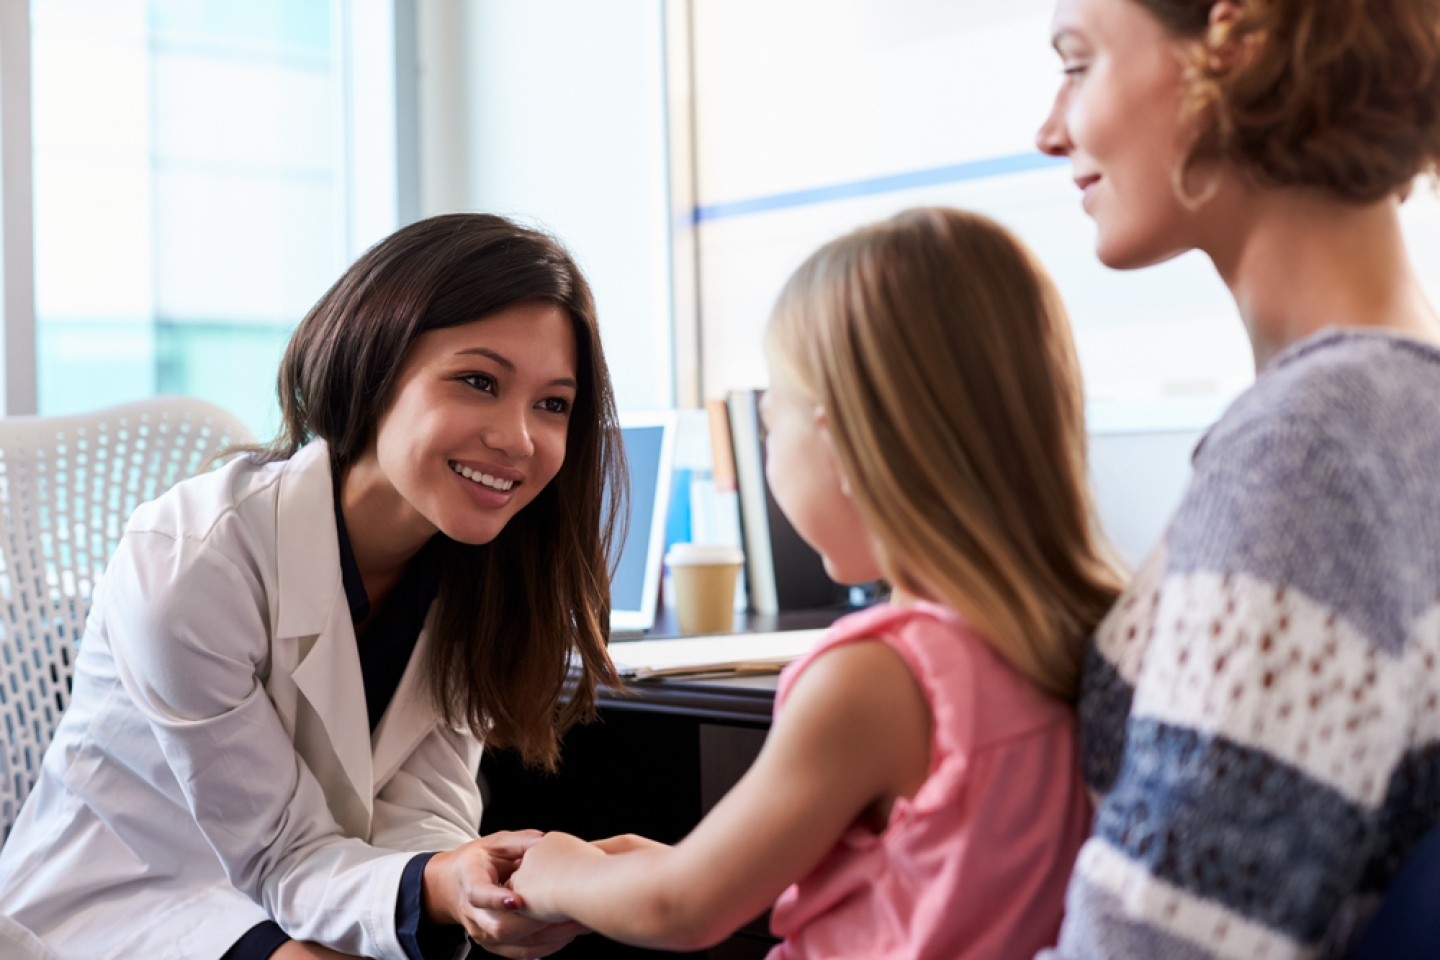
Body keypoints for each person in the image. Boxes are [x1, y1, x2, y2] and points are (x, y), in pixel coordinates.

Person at [504, 207, 1125, 958]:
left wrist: (558, 869)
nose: (768, 451)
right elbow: (917, 873)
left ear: (838, 440)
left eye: (770, 423)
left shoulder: (876, 676)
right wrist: (666, 862)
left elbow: (680, 908)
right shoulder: (1088, 628)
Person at [0, 213, 625, 960]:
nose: (518, 438)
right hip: (123, 903)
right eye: (478, 381)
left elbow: (423, 811)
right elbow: (277, 853)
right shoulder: (194, 562)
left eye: (552, 404)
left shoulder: (476, 572)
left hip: (308, 889)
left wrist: (470, 881)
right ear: (374, 364)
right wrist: (438, 885)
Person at [1035, 1, 1440, 957]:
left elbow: (1153, 946)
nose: (1050, 130)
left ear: (1235, 53)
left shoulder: (1309, 450)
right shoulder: (1392, 410)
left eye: (1078, 64)